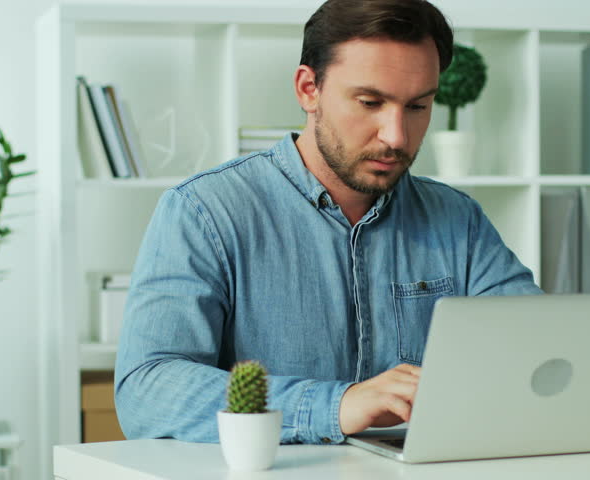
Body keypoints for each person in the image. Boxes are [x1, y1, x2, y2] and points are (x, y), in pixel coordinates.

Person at [115, 0, 542, 445]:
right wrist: (335, 405)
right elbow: (146, 391)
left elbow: (539, 351)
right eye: (370, 102)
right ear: (308, 89)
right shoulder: (205, 211)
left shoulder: (458, 219)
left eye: (417, 107)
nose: (396, 136)